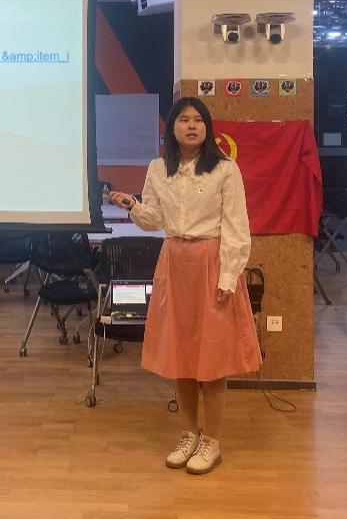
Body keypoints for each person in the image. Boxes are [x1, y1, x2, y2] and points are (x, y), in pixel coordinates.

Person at [106, 96, 260, 475]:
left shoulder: (225, 169)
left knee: (213, 360)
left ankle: (213, 440)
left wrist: (229, 276)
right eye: (184, 120)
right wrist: (133, 205)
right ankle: (189, 433)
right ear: (171, 128)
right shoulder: (159, 168)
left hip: (212, 264)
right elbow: (154, 219)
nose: (192, 126)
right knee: (182, 357)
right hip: (174, 264)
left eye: (198, 120)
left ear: (207, 128)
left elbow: (238, 228)